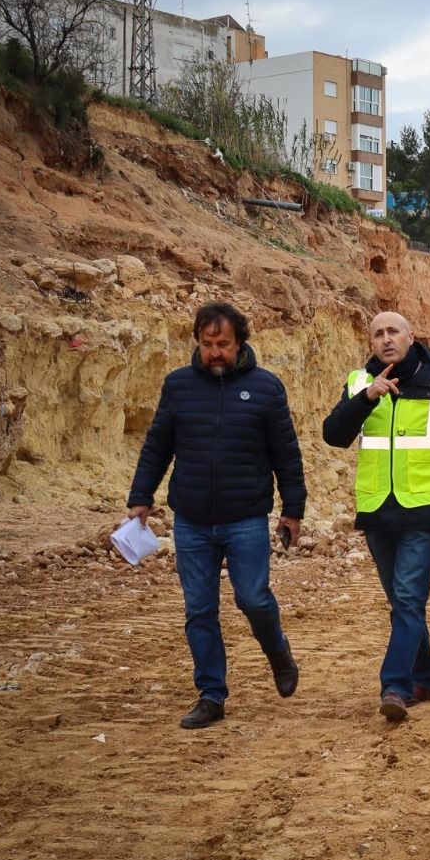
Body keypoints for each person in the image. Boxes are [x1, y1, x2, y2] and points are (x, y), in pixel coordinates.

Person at [127, 302, 306, 730]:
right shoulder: (178, 386)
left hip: (245, 516)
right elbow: (157, 446)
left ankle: (277, 650)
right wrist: (141, 497)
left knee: (253, 598)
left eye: (223, 344)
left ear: (240, 341)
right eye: (207, 344)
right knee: (199, 610)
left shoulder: (266, 388)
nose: (215, 352)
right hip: (190, 519)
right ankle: (211, 695)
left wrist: (293, 510)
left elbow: (287, 454)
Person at [322, 311, 430, 722]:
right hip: (376, 509)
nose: (386, 339)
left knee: (408, 598)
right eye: (378, 334)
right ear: (370, 342)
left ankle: (395, 685)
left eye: (393, 332)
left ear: (411, 336)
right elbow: (333, 435)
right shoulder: (359, 383)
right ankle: (424, 675)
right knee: (401, 601)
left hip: (422, 508)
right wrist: (366, 397)